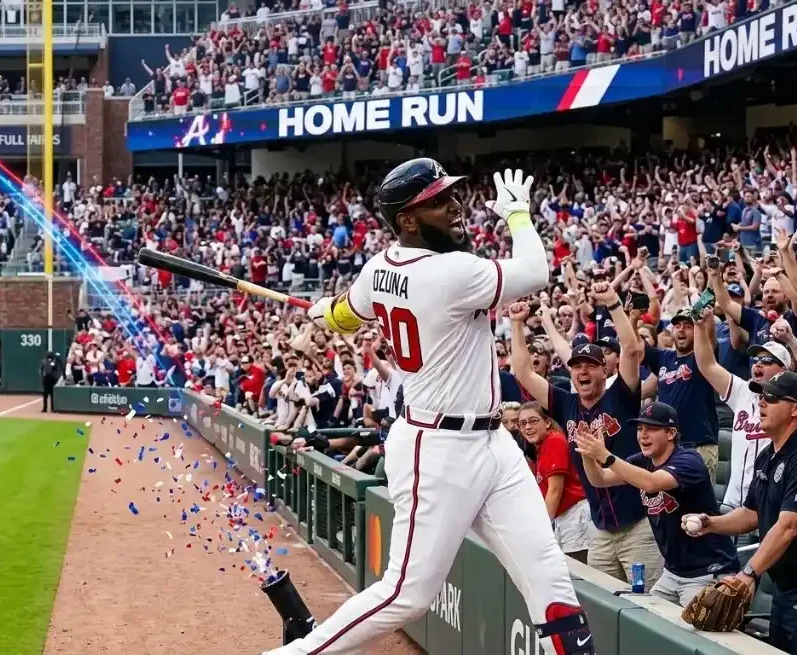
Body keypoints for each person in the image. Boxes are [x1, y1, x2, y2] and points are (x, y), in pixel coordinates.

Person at [268, 163, 594, 655]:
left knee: (550, 579)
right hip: (436, 447)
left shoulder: (380, 267)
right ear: (408, 221)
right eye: (440, 201)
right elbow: (535, 270)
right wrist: (517, 216)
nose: (456, 206)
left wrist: (324, 311)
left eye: (451, 196)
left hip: (491, 443)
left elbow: (346, 312)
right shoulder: (450, 271)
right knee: (406, 595)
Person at [509, 288, 664, 589]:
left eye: (590, 365)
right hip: (600, 530)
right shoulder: (566, 404)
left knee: (648, 606)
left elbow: (631, 350)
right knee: (603, 608)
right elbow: (524, 373)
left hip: (637, 526)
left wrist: (613, 305)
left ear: (604, 370)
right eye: (576, 366)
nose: (582, 371)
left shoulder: (621, 395)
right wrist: (516, 324)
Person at [572, 402, 738, 607]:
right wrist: (588, 456)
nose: (643, 435)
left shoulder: (689, 460)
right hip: (672, 573)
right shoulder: (642, 460)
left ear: (671, 433)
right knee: (647, 621)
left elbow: (650, 483)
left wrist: (605, 456)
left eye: (651, 429)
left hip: (707, 572)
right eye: (640, 429)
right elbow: (600, 480)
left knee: (690, 634)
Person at [683, 371, 797, 652]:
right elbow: (751, 514)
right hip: (785, 586)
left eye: (772, 397)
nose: (762, 402)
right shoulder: (767, 456)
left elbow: (788, 526)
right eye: (761, 396)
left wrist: (748, 573)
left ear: (794, 408)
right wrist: (712, 523)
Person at [691, 304, 789, 510]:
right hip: (733, 502)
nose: (758, 364)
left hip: (772, 507)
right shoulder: (742, 391)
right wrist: (699, 327)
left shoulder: (791, 403)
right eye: (756, 359)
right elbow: (707, 365)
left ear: (784, 370)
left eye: (768, 360)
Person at [641, 307, 721, 480]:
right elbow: (635, 347)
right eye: (677, 326)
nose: (682, 329)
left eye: (687, 325)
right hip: (668, 446)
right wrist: (630, 318)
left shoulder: (703, 359)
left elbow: (710, 341)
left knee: (699, 505)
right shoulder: (663, 358)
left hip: (699, 445)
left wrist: (706, 320)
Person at [519, 401, 591, 562]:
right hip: (561, 519)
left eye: (533, 421)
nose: (527, 427)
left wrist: (541, 530)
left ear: (547, 422)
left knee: (578, 575)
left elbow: (555, 491)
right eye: (522, 423)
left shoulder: (554, 440)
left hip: (574, 517)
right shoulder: (539, 448)